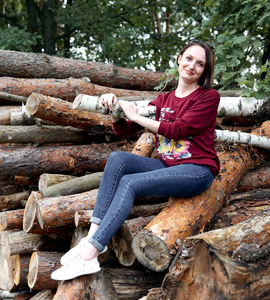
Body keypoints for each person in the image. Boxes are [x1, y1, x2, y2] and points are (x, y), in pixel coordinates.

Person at [51, 39, 220, 281]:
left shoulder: (208, 97)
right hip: (168, 165)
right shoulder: (163, 100)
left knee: (131, 183)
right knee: (118, 159)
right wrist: (114, 110)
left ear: (205, 71)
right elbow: (124, 131)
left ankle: (89, 255)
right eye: (189, 58)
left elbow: (178, 130)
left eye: (200, 64)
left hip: (197, 170)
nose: (192, 66)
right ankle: (91, 237)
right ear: (179, 59)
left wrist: (135, 116)